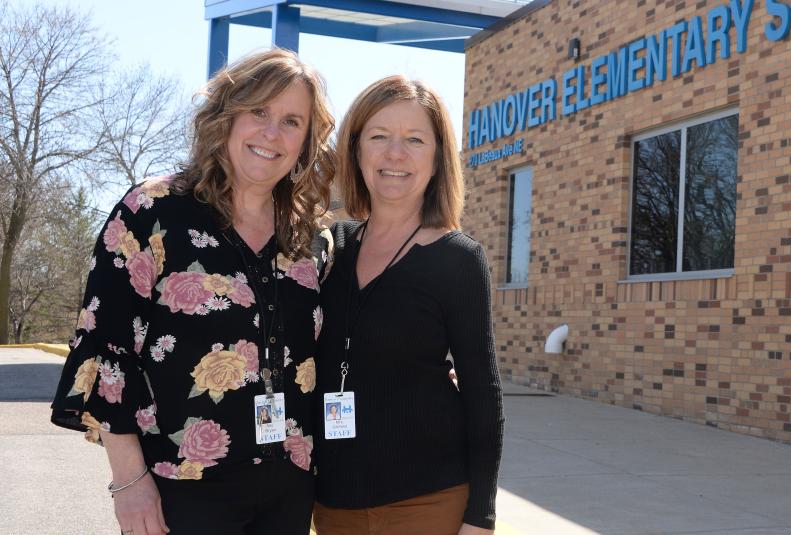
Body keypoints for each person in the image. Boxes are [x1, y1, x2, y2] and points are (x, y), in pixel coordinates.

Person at [50, 48, 335, 535]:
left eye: (292, 121)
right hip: (179, 489)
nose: (272, 133)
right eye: (259, 111)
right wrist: (129, 482)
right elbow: (107, 347)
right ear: (226, 114)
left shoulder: (310, 238)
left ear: (307, 141)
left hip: (289, 489)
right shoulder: (152, 212)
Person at [313, 75, 504, 535]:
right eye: (378, 137)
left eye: (415, 139)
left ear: (438, 158)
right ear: (355, 151)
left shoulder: (458, 258)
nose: (394, 154)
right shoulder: (328, 248)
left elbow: (482, 391)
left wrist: (481, 515)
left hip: (429, 498)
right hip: (333, 502)